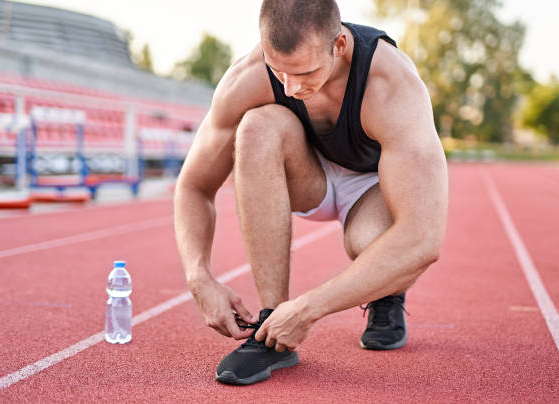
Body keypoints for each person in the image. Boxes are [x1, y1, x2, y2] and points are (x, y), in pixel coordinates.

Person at [174, 0, 448, 385]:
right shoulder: (248, 77)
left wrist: (308, 309)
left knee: (375, 243)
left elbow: (423, 240)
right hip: (308, 174)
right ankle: (270, 327)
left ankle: (387, 294)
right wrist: (198, 277)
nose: (290, 87)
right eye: (278, 70)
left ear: (338, 44)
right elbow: (193, 186)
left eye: (305, 72)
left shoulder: (389, 83)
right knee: (255, 127)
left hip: (374, 184)